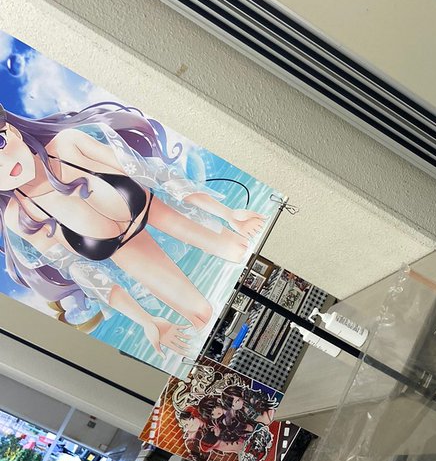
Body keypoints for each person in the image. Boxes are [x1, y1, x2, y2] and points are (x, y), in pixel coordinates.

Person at [0, 101, 266, 356]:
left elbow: (157, 175)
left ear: (11, 129)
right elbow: (81, 271)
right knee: (202, 316)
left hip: (166, 213)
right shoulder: (19, 215)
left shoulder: (69, 144)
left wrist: (228, 213)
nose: (4, 164)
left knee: (240, 252)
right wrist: (146, 321)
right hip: (129, 254)